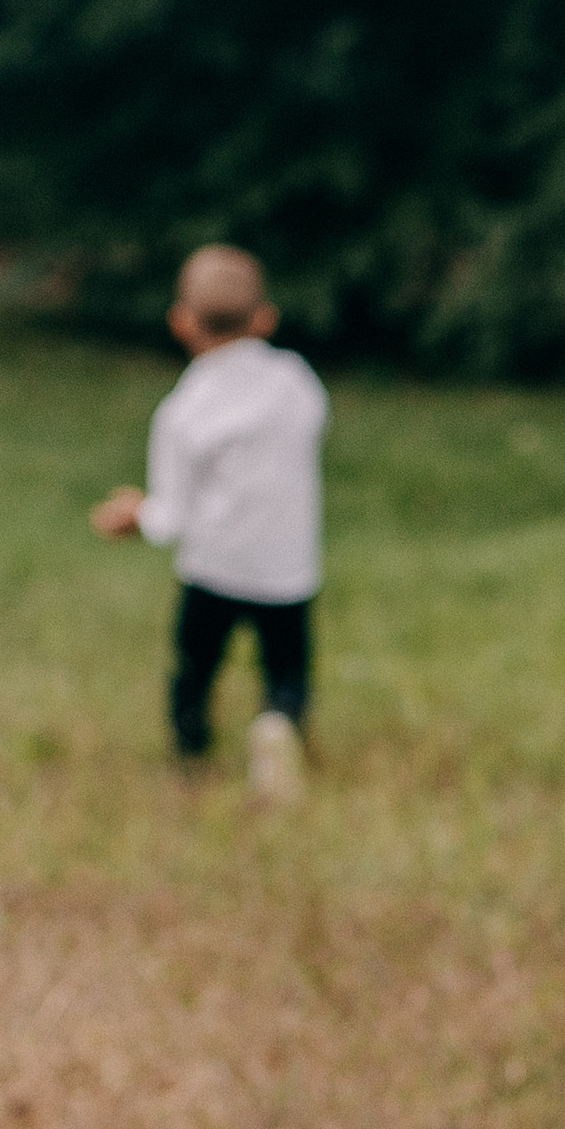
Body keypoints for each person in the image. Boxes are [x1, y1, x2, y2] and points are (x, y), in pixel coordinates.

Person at [89, 244, 328, 798]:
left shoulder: (181, 414)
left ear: (182, 323)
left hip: (214, 568)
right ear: (265, 318)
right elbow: (313, 427)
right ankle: (278, 724)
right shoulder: (296, 382)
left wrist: (134, 514)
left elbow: (170, 517)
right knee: (287, 669)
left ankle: (192, 756)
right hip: (287, 567)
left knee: (195, 668)